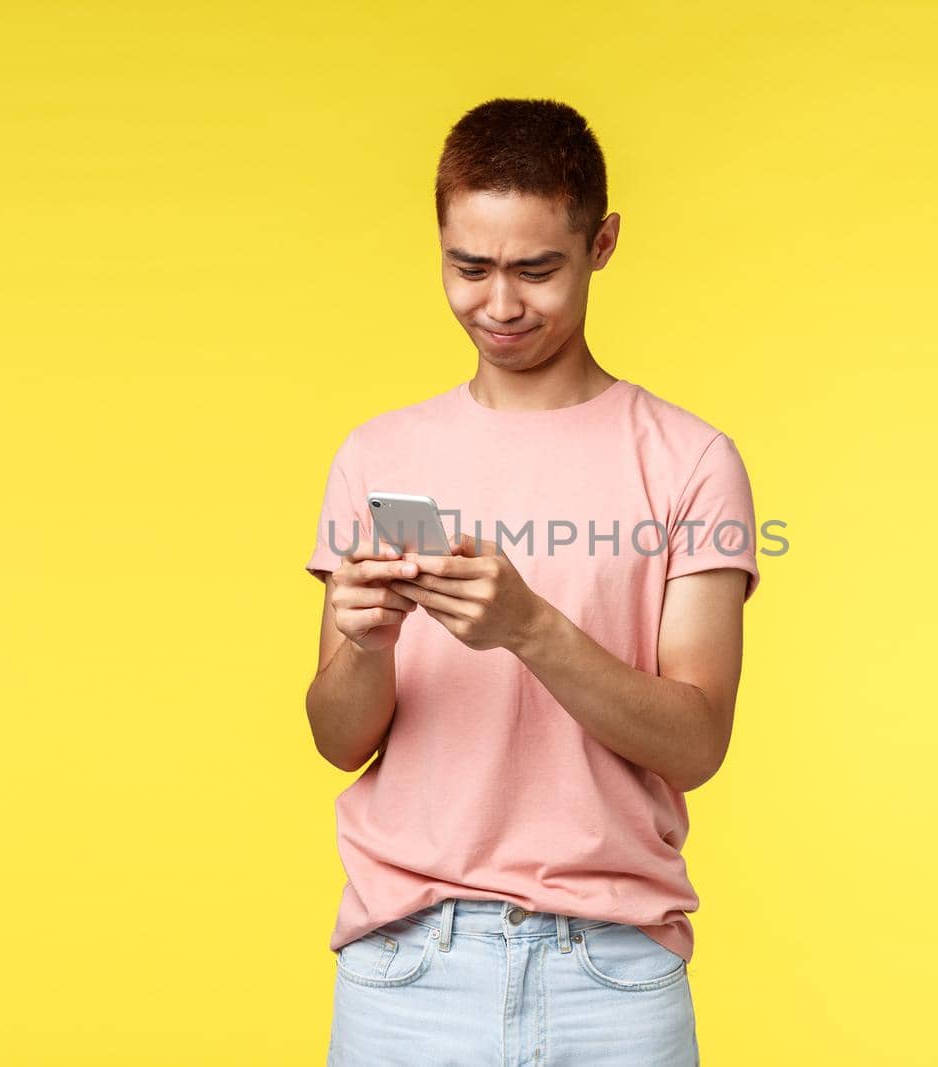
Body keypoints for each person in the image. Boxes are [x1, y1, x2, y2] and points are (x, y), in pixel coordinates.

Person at [304, 97, 760, 1066]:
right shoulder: (379, 453)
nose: (498, 304)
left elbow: (697, 740)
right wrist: (365, 644)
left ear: (601, 244)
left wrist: (529, 626)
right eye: (468, 267)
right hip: (407, 970)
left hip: (610, 976)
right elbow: (339, 737)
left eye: (534, 269)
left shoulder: (688, 460)